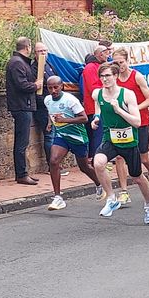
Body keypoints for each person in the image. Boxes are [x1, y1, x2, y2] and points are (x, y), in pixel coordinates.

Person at [91, 63, 149, 224]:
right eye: (102, 76)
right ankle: (112, 198)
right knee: (98, 163)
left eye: (108, 76)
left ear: (115, 76)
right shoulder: (97, 94)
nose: (105, 79)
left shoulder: (127, 95)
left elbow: (137, 122)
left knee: (137, 177)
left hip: (129, 141)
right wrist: (96, 119)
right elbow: (98, 108)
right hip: (110, 138)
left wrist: (119, 110)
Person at [44, 76, 102, 210]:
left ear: (61, 86)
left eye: (56, 87)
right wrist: (49, 123)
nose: (53, 90)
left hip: (78, 137)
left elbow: (84, 118)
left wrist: (64, 120)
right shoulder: (47, 100)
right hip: (62, 136)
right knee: (53, 161)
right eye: (50, 88)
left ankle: (99, 184)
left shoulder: (70, 100)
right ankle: (58, 197)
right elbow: (51, 113)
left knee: (84, 167)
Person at [113, 48, 149, 205]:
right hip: (122, 123)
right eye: (116, 63)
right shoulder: (114, 79)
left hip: (140, 121)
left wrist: (134, 109)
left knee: (143, 158)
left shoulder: (137, 77)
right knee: (119, 156)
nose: (119, 66)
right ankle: (124, 191)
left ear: (127, 61)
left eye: (121, 62)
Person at [5, 37, 43, 185]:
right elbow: (22, 85)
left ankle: (23, 173)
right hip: (21, 106)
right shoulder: (17, 63)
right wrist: (36, 85)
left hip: (23, 105)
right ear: (27, 47)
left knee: (23, 141)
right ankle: (21, 174)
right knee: (21, 142)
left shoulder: (19, 62)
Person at [82, 45, 111, 160]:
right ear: (100, 54)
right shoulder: (90, 68)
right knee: (97, 135)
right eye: (107, 53)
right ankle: (96, 158)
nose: (108, 55)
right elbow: (93, 88)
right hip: (94, 107)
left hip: (103, 105)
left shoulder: (100, 67)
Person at [31, 42, 56, 171]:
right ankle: (52, 166)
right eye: (40, 51)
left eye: (45, 51)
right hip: (43, 107)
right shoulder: (34, 68)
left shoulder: (49, 65)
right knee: (49, 134)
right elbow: (37, 91)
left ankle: (55, 164)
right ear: (35, 53)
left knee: (54, 135)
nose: (43, 53)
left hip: (54, 104)